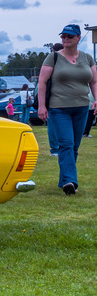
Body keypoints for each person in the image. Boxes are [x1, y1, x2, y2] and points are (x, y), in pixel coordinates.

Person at [36, 24, 97, 195]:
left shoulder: (87, 58)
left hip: (82, 107)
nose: (65, 39)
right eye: (63, 36)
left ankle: (64, 180)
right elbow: (42, 82)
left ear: (78, 38)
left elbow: (94, 81)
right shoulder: (53, 57)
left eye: (69, 36)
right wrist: (42, 106)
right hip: (59, 108)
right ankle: (70, 181)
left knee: (75, 146)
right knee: (66, 144)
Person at [46, 43, 64, 156]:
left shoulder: (49, 61)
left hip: (53, 99)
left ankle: (55, 149)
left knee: (53, 125)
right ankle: (56, 149)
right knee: (55, 125)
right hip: (56, 99)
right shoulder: (57, 62)